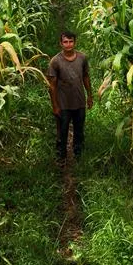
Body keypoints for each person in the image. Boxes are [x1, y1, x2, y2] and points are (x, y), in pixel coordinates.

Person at [47, 31, 93, 166]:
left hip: (79, 103)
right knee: (62, 132)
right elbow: (52, 86)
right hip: (63, 104)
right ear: (61, 44)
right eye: (65, 42)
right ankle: (61, 158)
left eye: (71, 41)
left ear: (75, 42)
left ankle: (79, 157)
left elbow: (85, 77)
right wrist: (55, 105)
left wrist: (89, 95)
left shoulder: (82, 58)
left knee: (79, 131)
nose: (68, 45)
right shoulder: (55, 61)